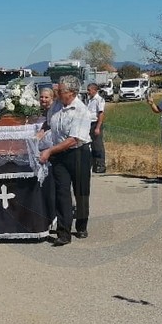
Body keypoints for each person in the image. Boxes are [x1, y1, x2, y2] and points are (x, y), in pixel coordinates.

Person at [40, 77, 93, 246]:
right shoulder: (56, 106)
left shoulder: (81, 110)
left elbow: (73, 140)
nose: (57, 93)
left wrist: (48, 151)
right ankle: (63, 233)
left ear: (72, 93)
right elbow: (49, 124)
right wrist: (40, 134)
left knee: (81, 191)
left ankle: (82, 224)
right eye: (58, 90)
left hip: (78, 153)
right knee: (61, 192)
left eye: (61, 91)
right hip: (59, 155)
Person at [86, 83, 106, 174]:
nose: (88, 92)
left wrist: (98, 127)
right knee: (92, 145)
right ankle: (94, 165)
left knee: (98, 145)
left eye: (89, 90)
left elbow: (101, 114)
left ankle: (101, 165)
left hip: (96, 123)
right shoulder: (90, 100)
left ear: (94, 90)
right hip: (89, 124)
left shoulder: (99, 100)